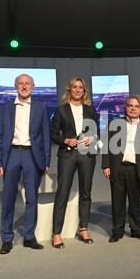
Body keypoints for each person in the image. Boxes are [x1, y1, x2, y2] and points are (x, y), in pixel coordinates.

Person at [0, 74, 51, 254]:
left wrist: (46, 161)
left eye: (27, 83)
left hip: (32, 156)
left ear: (33, 86)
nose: (24, 86)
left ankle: (29, 237)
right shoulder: (5, 108)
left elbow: (46, 136)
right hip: (12, 155)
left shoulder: (41, 107)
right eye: (21, 83)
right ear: (15, 86)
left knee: (32, 198)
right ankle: (7, 239)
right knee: (8, 198)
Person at [50, 78, 99, 249]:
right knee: (62, 192)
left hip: (87, 155)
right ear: (69, 90)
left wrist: (91, 139)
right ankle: (56, 233)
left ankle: (83, 228)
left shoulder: (91, 110)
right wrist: (66, 140)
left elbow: (96, 133)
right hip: (67, 155)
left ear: (84, 91)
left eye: (81, 88)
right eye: (74, 87)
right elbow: (53, 134)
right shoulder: (61, 111)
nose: (77, 90)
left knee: (86, 192)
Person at [102, 95, 140, 243]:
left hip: (136, 169)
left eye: (136, 106)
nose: (133, 108)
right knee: (117, 201)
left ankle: (136, 230)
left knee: (134, 201)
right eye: (130, 105)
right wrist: (106, 165)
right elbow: (106, 145)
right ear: (126, 108)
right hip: (118, 167)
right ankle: (117, 231)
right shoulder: (115, 124)